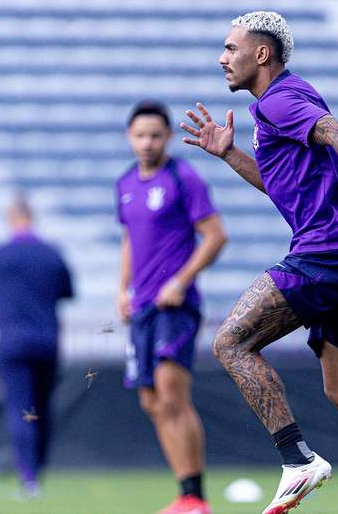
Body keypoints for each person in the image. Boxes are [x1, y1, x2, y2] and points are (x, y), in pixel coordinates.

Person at [180, 11, 338, 514]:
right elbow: (285, 182)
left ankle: (298, 459)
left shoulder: (280, 99)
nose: (222, 58)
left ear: (261, 53)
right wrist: (231, 156)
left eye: (231, 48)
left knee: (230, 343)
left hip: (327, 252)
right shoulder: (279, 103)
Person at [116, 100, 227, 514]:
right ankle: (185, 494)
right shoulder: (125, 183)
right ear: (130, 138)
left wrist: (181, 281)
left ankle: (196, 497)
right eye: (141, 135)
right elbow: (130, 238)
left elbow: (215, 236)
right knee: (151, 400)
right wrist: (122, 289)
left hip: (175, 306)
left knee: (171, 393)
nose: (148, 143)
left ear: (166, 137)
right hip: (142, 306)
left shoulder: (183, 177)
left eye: (156, 135)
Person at [0, 194, 74, 497]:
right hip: (47, 341)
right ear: (33, 218)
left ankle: (29, 477)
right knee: (42, 407)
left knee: (21, 408)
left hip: (13, 341)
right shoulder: (52, 254)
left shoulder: (0, 254)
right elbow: (67, 291)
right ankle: (39, 468)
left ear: (11, 219)